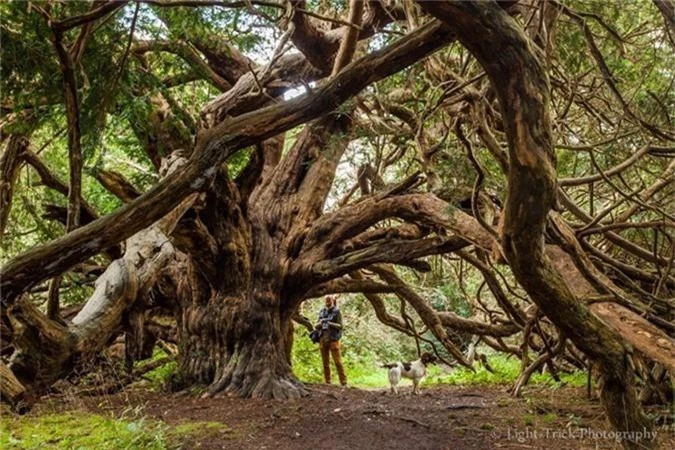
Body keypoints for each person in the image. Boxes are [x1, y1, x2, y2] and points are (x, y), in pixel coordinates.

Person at [315, 295, 347, 386]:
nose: (327, 301)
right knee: (325, 362)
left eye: (329, 300)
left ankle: (343, 382)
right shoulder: (322, 311)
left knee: (337, 362)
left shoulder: (337, 312)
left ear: (333, 301)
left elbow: (340, 326)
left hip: (333, 339)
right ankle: (327, 382)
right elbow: (316, 325)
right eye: (326, 300)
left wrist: (329, 323)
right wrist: (320, 323)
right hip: (322, 339)